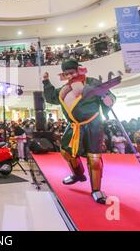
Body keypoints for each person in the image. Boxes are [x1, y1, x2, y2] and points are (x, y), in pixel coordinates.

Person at [43, 59, 116, 204]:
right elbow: (51, 97)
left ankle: (96, 190)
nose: (70, 76)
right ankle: (78, 174)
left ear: (79, 70)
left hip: (93, 125)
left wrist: (109, 99)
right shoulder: (64, 90)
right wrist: (46, 82)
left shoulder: (92, 83)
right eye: (66, 74)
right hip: (74, 126)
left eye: (72, 73)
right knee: (66, 151)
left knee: (94, 159)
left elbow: (108, 94)